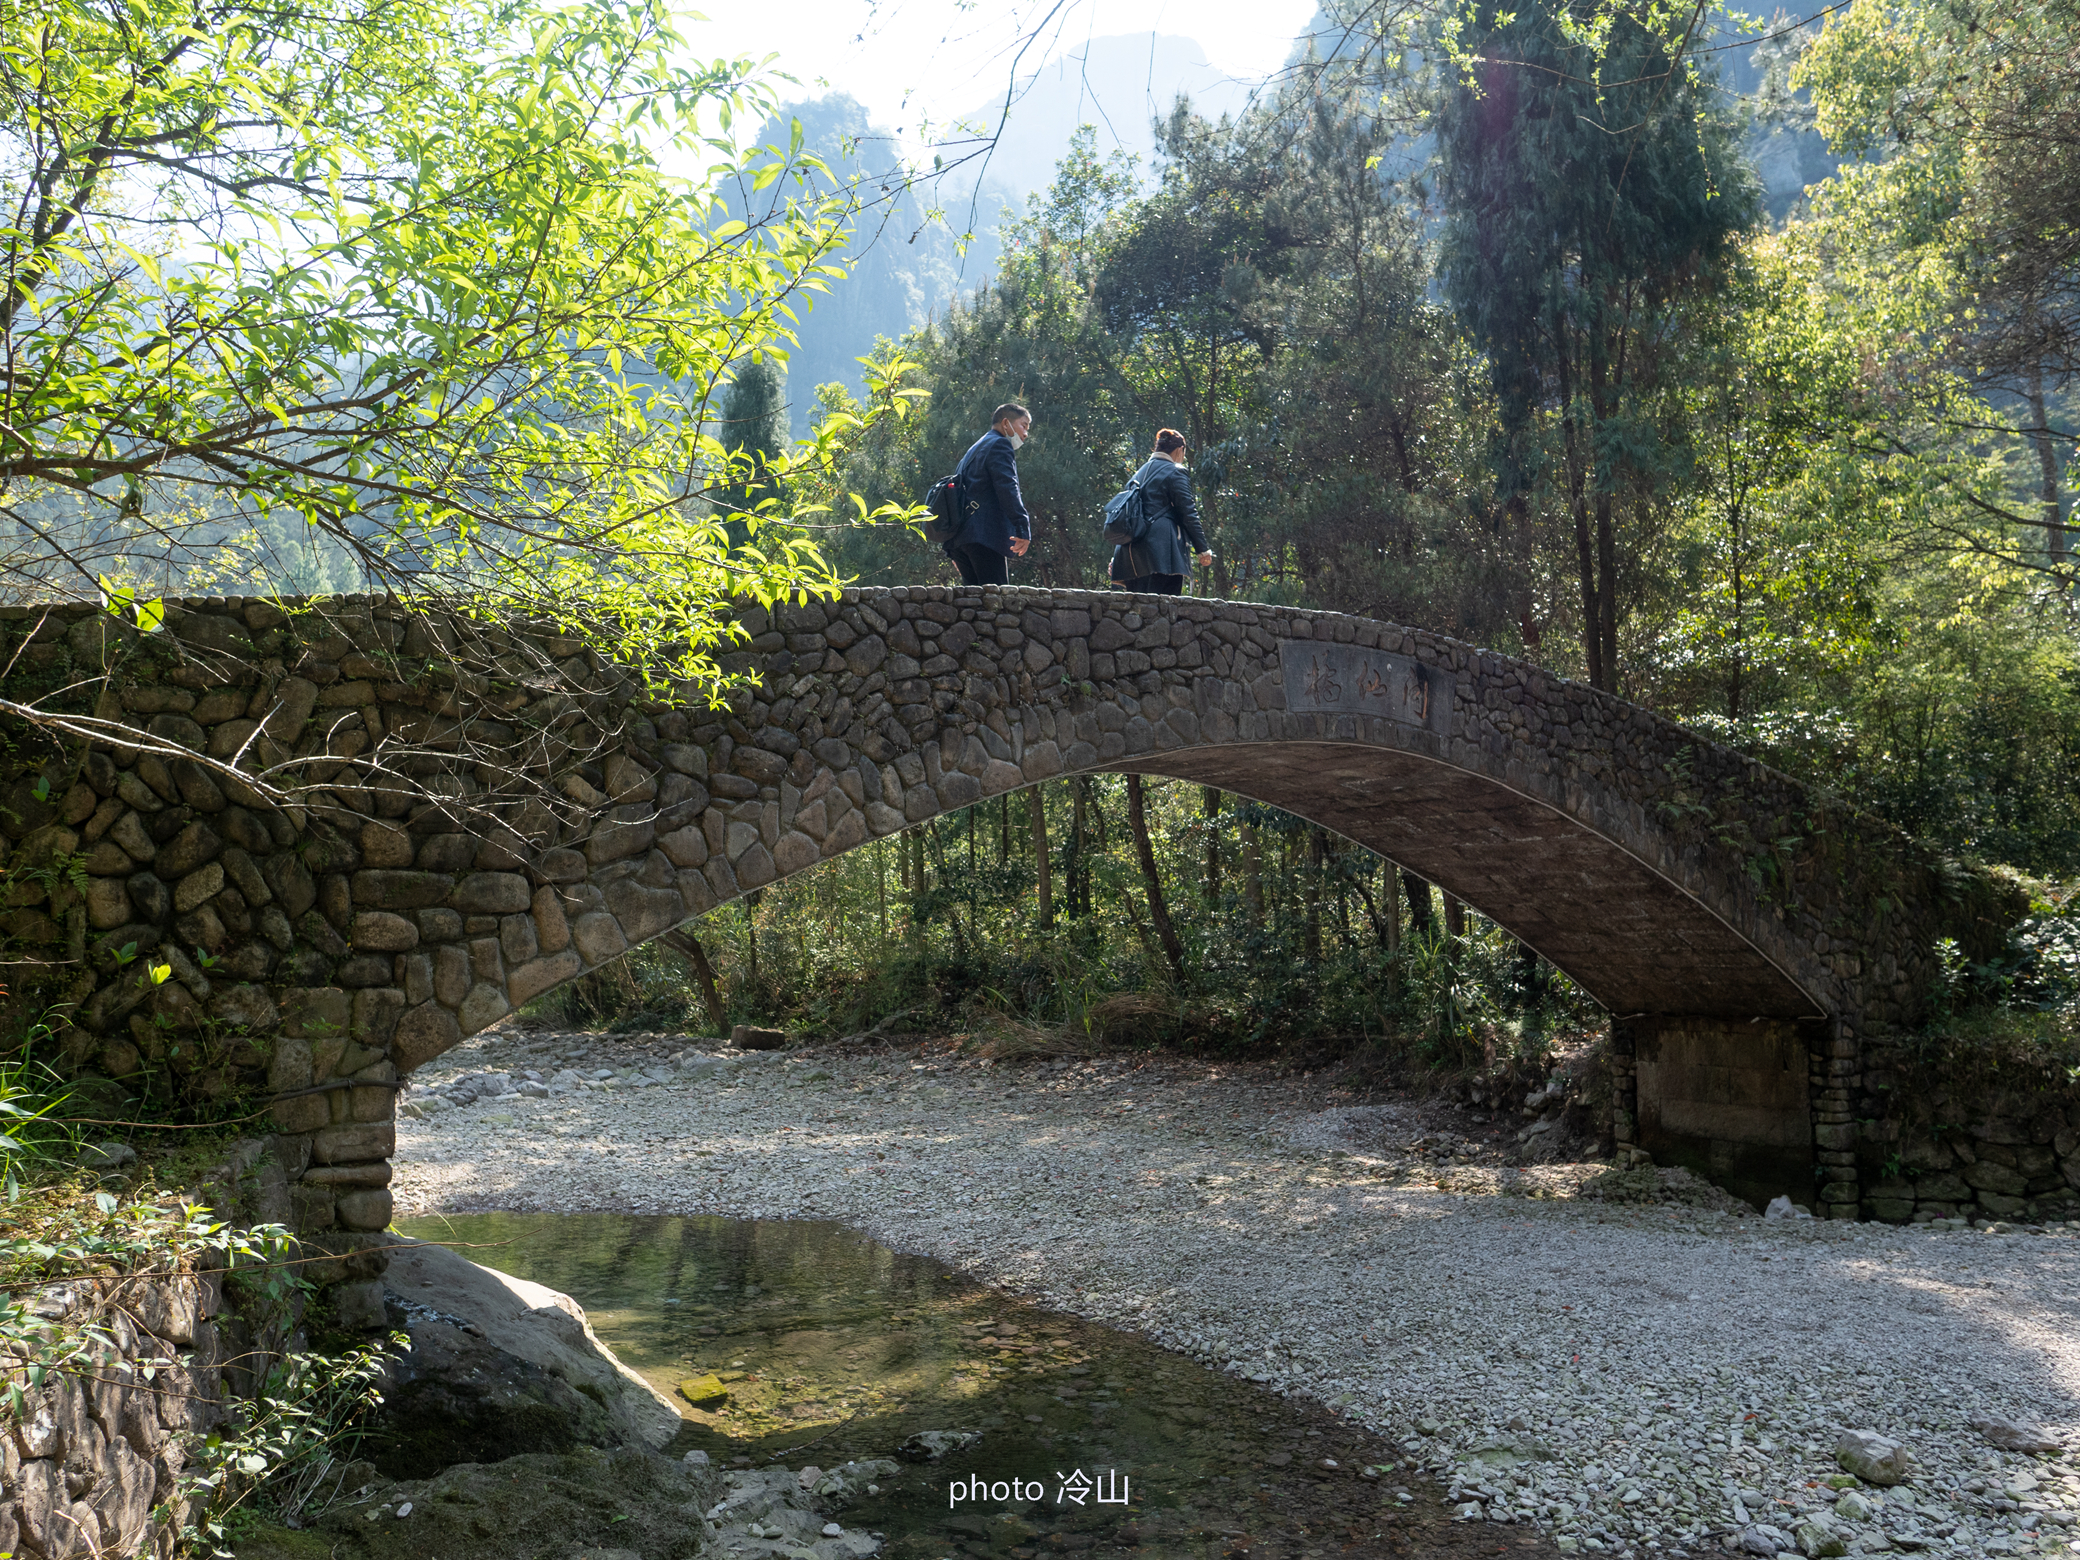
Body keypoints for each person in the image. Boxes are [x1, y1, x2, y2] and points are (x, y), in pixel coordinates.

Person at [1110, 428, 1213, 594]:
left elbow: (1127, 515)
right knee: (1164, 612)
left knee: (1137, 613)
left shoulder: (1136, 475)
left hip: (1129, 555)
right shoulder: (1176, 471)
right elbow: (1188, 513)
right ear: (1180, 450)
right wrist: (1202, 549)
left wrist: (1116, 559)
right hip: (1162, 553)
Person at [945, 403, 1034, 586]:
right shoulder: (1000, 444)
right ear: (1006, 423)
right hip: (983, 537)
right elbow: (1008, 487)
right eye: (1023, 425)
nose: (1026, 434)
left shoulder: (974, 449)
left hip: (960, 539)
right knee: (996, 603)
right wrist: (1022, 528)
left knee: (973, 605)